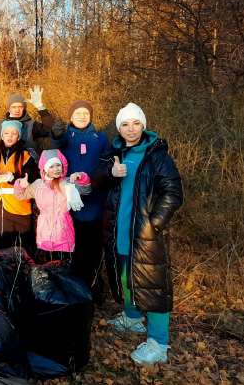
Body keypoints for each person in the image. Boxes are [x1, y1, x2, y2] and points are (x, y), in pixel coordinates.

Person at [97, 103, 183, 365]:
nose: (131, 129)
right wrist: (110, 174)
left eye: (136, 123)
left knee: (153, 285)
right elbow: (97, 182)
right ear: (119, 128)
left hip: (145, 234)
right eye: (125, 124)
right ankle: (132, 318)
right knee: (126, 278)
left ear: (143, 125)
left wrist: (154, 223)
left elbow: (173, 193)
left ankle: (159, 343)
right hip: (119, 231)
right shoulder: (115, 154)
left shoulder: (157, 155)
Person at [51, 100, 110, 301]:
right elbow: (55, 146)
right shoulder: (66, 135)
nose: (82, 116)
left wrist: (96, 181)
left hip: (94, 199)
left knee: (93, 247)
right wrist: (56, 134)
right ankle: (74, 288)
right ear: (71, 116)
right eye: (78, 113)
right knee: (74, 247)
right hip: (69, 201)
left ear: (91, 115)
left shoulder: (100, 138)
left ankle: (93, 286)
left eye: (86, 113)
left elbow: (107, 163)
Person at [14, 149, 90, 265]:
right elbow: (20, 196)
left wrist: (82, 177)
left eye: (58, 165)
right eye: (52, 166)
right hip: (43, 234)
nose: (56, 169)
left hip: (64, 234)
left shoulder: (67, 183)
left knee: (63, 269)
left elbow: (86, 190)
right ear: (44, 168)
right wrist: (20, 184)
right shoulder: (38, 185)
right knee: (45, 271)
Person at [0, 120, 38, 250]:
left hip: (18, 208)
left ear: (19, 136)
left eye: (14, 133)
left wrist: (12, 178)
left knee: (18, 247)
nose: (10, 136)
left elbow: (31, 178)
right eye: (6, 133)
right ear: (1, 135)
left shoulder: (26, 155)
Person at [0, 86, 55, 156]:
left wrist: (40, 107)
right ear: (9, 108)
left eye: (20, 107)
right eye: (13, 107)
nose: (17, 110)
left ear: (24, 108)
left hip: (27, 168)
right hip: (2, 168)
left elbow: (51, 129)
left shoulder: (32, 125)